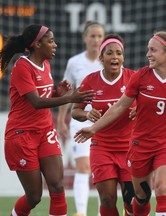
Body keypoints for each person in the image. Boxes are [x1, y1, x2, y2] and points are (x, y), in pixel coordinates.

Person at [74, 31, 166, 216]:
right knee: (121, 197)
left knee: (160, 188)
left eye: (153, 50)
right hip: (122, 146)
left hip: (163, 143)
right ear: (101, 57)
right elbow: (119, 105)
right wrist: (91, 122)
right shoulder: (136, 77)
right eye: (110, 53)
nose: (148, 54)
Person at [0, 24, 95, 216]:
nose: (55, 45)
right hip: (22, 135)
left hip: (45, 131)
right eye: (51, 41)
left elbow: (41, 95)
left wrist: (56, 92)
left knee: (58, 186)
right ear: (37, 44)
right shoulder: (22, 67)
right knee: (34, 196)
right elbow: (35, 101)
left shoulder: (46, 64)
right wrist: (69, 97)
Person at [71, 33, 136, 216]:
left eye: (119, 53)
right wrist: (86, 113)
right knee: (107, 199)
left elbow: (151, 104)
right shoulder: (90, 81)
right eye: (109, 53)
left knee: (132, 201)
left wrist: (140, 110)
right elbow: (75, 110)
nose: (115, 57)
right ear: (101, 58)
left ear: (123, 57)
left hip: (131, 147)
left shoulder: (134, 78)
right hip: (102, 147)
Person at [57, 21, 105, 216]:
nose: (96, 40)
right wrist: (61, 119)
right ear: (84, 38)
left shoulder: (110, 60)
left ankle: (106, 210)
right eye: (92, 36)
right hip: (80, 120)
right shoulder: (74, 62)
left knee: (103, 171)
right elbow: (67, 93)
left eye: (99, 36)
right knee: (83, 166)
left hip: (105, 122)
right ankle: (81, 212)